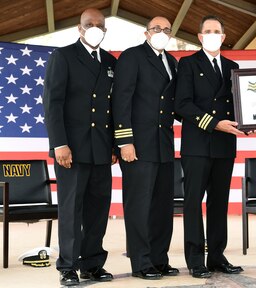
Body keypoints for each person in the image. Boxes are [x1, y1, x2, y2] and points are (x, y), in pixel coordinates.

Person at [43, 8, 116, 286]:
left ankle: (92, 263)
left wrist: (111, 146)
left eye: (100, 25)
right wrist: (59, 143)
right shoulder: (63, 56)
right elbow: (53, 103)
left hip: (100, 148)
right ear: (79, 28)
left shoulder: (110, 61)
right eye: (89, 24)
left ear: (105, 30)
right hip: (70, 149)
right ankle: (69, 267)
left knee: (98, 209)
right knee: (72, 209)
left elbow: (111, 108)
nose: (95, 28)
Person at [175, 15, 244, 279]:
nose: (213, 35)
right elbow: (181, 104)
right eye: (208, 31)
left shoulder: (233, 66)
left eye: (217, 31)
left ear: (224, 37)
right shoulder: (188, 64)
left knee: (219, 203)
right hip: (197, 145)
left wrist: (255, 119)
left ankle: (216, 256)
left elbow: (243, 104)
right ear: (200, 37)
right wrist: (215, 123)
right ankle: (195, 259)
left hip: (225, 146)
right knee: (193, 203)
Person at [112, 16, 179, 280]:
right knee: (139, 206)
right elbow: (121, 100)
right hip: (138, 145)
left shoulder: (172, 62)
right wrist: (124, 141)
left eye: (166, 29)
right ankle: (141, 262)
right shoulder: (132, 57)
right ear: (146, 32)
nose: (161, 33)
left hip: (163, 145)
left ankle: (159, 259)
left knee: (163, 206)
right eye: (156, 29)